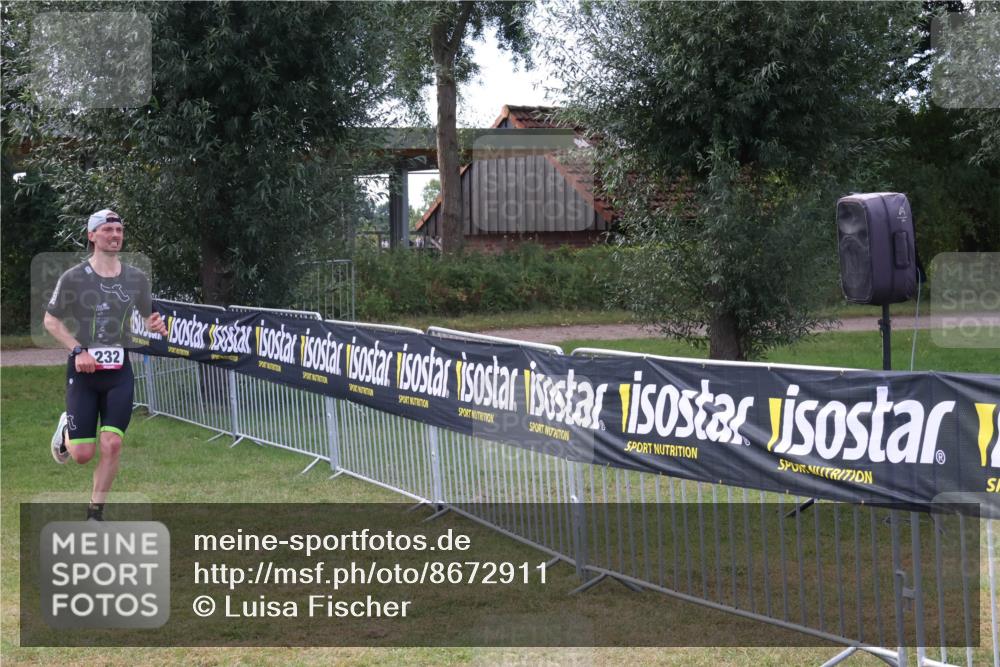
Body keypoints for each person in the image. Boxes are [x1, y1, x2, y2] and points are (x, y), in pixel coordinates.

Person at [43, 209, 168, 521]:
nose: (115, 235)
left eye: (119, 231)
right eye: (108, 230)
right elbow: (50, 321)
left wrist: (155, 324)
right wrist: (77, 351)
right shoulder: (74, 278)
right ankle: (66, 429)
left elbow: (148, 316)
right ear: (92, 235)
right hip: (84, 373)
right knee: (82, 455)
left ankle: (94, 515)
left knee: (112, 444)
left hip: (119, 373)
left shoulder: (136, 278)